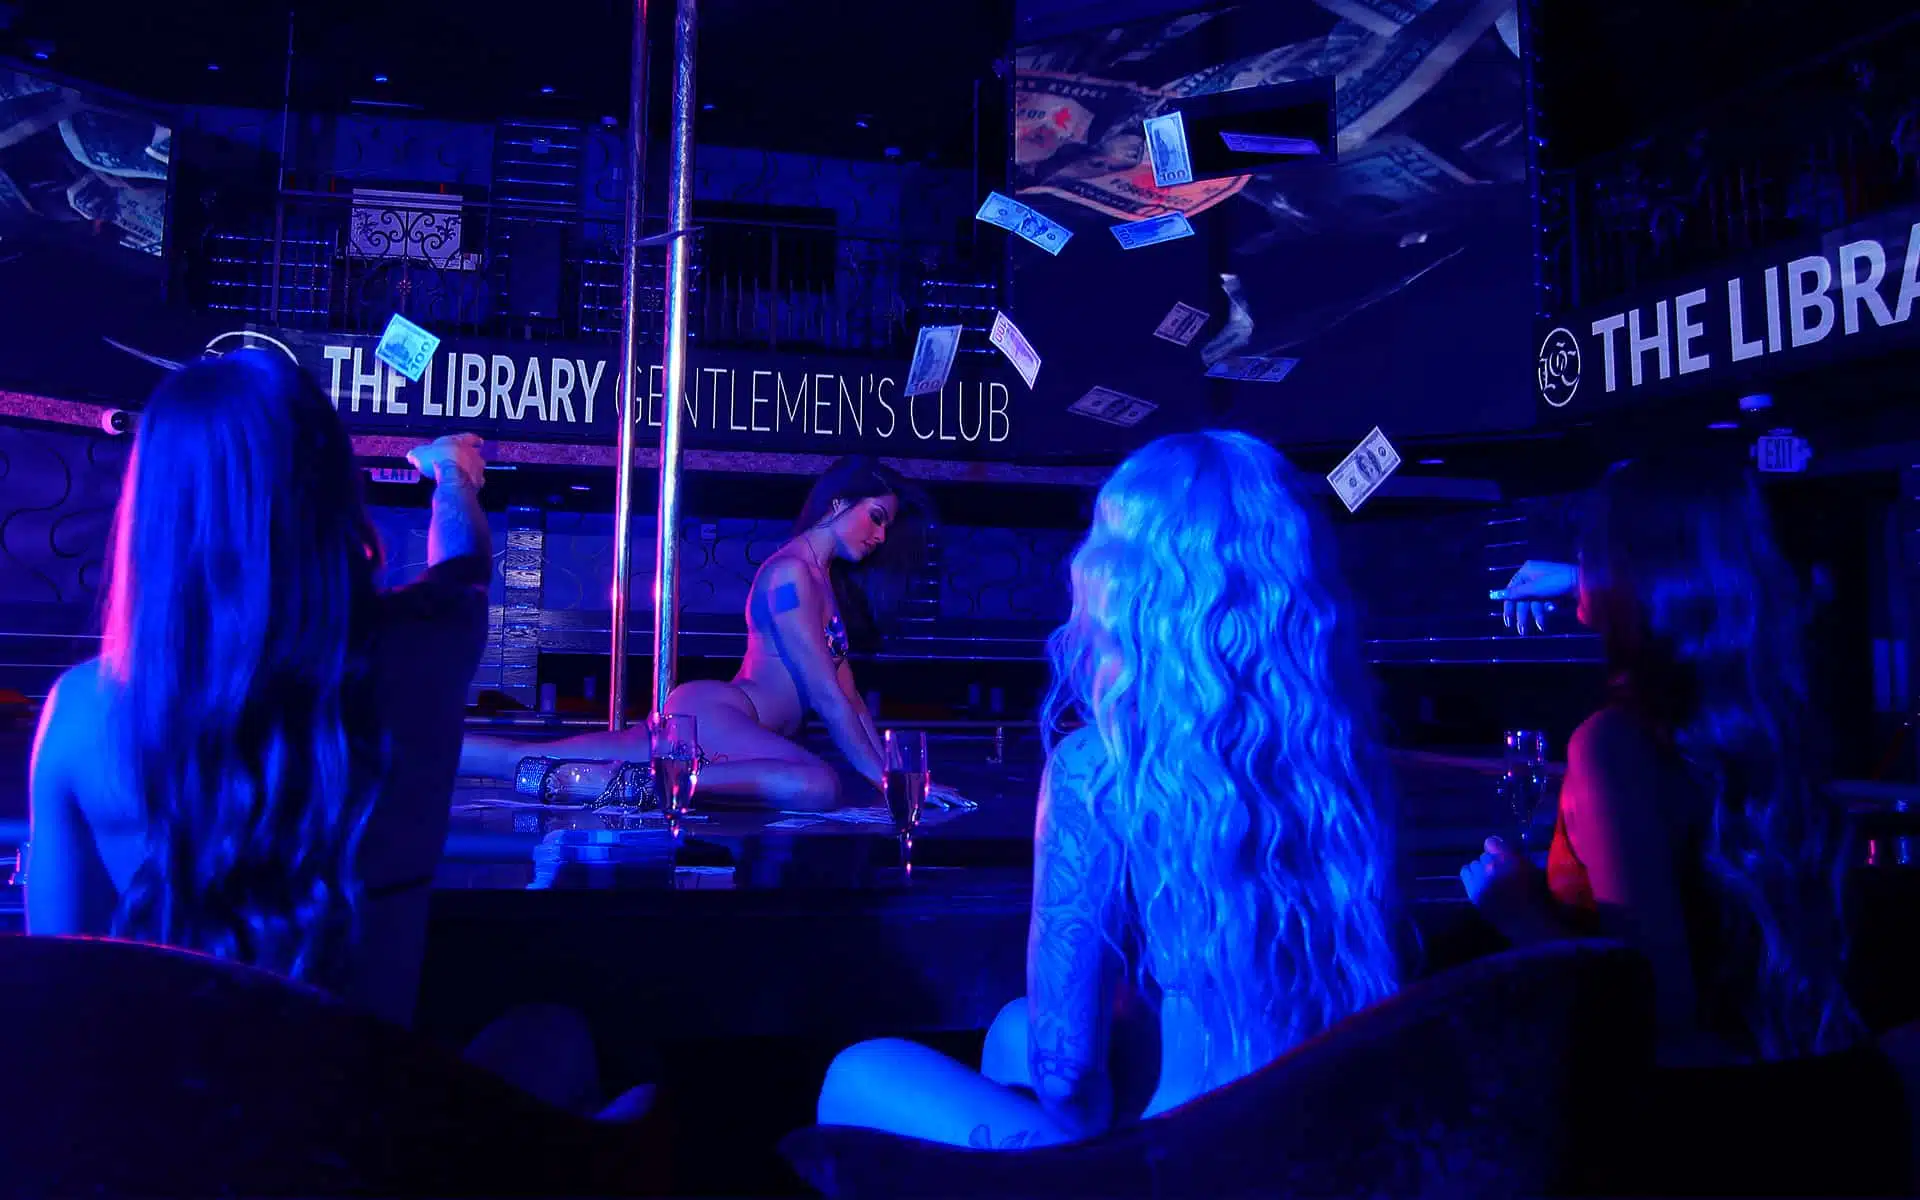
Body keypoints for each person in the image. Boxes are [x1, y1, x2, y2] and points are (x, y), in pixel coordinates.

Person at [815, 430, 1401, 1146]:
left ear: (1124, 578)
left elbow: (1069, 1085)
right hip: (1324, 1140)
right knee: (1014, 1030)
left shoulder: (1102, 765)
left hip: (1189, 1165)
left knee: (860, 1072)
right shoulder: (1338, 759)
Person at [27, 352, 489, 1031]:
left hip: (168, 1098)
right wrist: (453, 474)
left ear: (155, 509)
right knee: (552, 1039)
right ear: (330, 492)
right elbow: (464, 568)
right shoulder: (424, 655)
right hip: (362, 1096)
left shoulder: (81, 714)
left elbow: (58, 996)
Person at [1466, 454, 1860, 1064]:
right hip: (1795, 1075)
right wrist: (1585, 583)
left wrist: (1519, 913)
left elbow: (1654, 1011)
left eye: (1594, 544)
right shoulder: (1765, 721)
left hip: (1689, 1108)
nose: (1582, 558)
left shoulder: (1612, 748)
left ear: (1634, 571)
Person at [462, 454, 952, 812]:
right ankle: (641, 785)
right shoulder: (791, 576)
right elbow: (825, 694)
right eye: (876, 517)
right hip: (721, 715)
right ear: (838, 502)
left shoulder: (821, 582)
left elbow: (851, 700)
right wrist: (885, 781)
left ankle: (430, 752)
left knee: (530, 756)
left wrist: (897, 777)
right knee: (816, 785)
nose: (880, 536)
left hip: (728, 725)